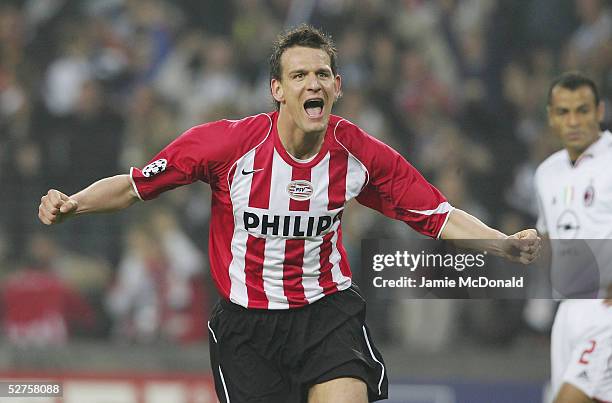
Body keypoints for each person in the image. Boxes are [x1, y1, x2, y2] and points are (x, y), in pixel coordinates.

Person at [38, 25, 540, 403]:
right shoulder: (225, 145)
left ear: (336, 87)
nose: (311, 84)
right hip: (247, 327)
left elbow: (437, 214)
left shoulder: (360, 155)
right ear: (277, 89)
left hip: (327, 316)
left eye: (322, 74)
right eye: (298, 75)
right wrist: (74, 204)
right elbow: (131, 187)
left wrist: (502, 243)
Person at [534, 72, 612, 403]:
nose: (574, 120)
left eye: (582, 110)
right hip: (567, 312)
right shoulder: (546, 173)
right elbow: (550, 241)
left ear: (600, 111)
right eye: (564, 112)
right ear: (551, 116)